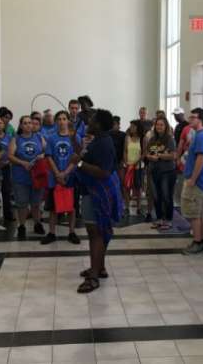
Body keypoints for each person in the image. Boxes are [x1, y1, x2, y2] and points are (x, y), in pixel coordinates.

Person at [70, 109, 123, 293]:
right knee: (98, 232)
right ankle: (98, 268)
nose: (88, 122)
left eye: (91, 119)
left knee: (96, 234)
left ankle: (93, 277)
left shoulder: (104, 143)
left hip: (97, 193)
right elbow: (84, 156)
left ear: (99, 124)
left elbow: (103, 172)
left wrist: (79, 164)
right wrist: (72, 139)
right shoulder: (98, 140)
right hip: (92, 191)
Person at [41, 110, 81, 245]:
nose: (62, 121)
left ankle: (71, 232)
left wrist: (65, 173)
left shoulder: (74, 137)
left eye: (64, 119)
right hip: (55, 177)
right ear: (56, 122)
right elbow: (49, 156)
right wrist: (57, 173)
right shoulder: (52, 138)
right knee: (53, 207)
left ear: (68, 121)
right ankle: (51, 233)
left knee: (72, 207)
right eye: (59, 119)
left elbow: (77, 157)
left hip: (71, 176)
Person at [181, 108, 203, 254]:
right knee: (201, 213)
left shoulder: (201, 136)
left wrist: (193, 179)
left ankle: (197, 241)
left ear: (200, 119)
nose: (190, 120)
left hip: (197, 182)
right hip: (201, 181)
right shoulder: (201, 135)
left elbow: (201, 158)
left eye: (193, 117)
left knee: (194, 213)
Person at [8, 115, 46, 239]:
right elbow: (10, 156)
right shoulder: (16, 139)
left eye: (30, 122)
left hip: (37, 176)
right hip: (21, 177)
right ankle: (22, 226)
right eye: (25, 123)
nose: (28, 125)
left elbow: (47, 151)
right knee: (22, 204)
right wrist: (23, 163)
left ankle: (37, 223)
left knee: (36, 203)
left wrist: (42, 156)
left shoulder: (39, 137)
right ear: (21, 125)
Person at [146, 117, 177, 230]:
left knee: (166, 196)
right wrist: (150, 157)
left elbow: (173, 155)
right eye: (157, 125)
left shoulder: (170, 139)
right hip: (154, 171)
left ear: (166, 126)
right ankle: (159, 219)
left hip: (167, 172)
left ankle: (168, 220)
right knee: (156, 197)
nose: (159, 127)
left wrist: (158, 156)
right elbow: (147, 153)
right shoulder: (152, 139)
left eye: (161, 125)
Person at [0, 117, 14, 223]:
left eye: (0, 123)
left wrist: (7, 162)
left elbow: (12, 152)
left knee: (6, 192)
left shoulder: (9, 137)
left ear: (4, 125)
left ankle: (8, 215)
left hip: (6, 167)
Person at [123, 120, 144, 215]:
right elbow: (125, 151)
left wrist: (137, 162)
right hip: (128, 165)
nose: (131, 128)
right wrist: (126, 162)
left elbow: (144, 152)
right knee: (127, 187)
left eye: (133, 126)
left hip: (138, 166)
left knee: (138, 187)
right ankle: (127, 206)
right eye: (130, 126)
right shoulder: (127, 138)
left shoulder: (142, 139)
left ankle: (139, 207)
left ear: (137, 127)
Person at [110, 116, 126, 184]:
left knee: (121, 182)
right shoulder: (107, 134)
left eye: (114, 124)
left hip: (120, 162)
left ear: (119, 125)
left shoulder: (123, 135)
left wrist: (123, 160)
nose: (113, 126)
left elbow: (125, 149)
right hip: (110, 162)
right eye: (112, 124)